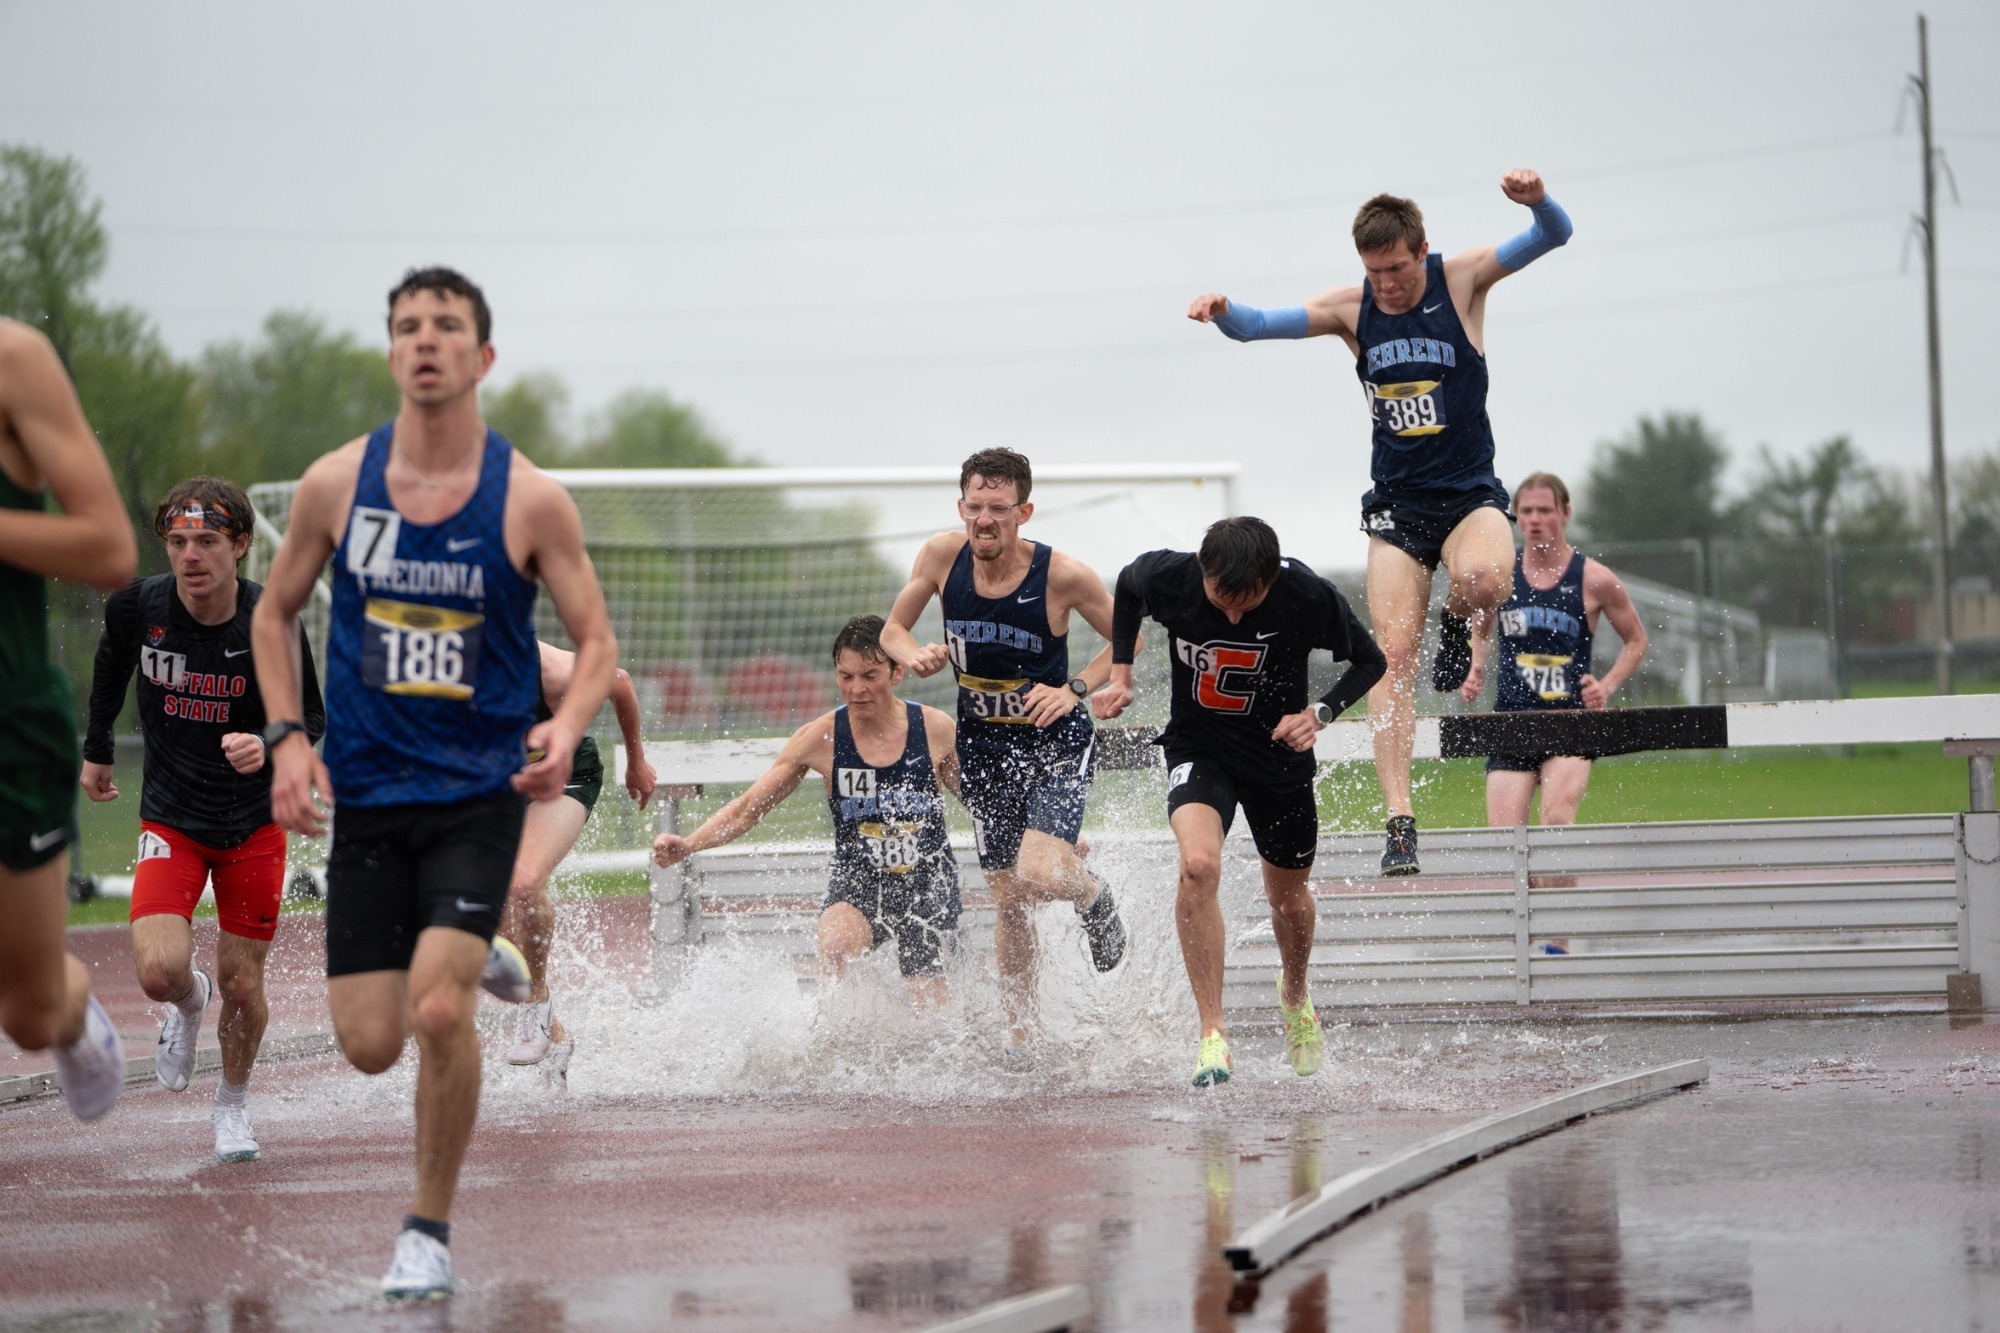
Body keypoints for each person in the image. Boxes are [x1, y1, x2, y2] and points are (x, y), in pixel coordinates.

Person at [251, 267, 617, 1301]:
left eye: (445, 326)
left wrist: (570, 723)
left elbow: (595, 642)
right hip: (367, 794)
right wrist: (286, 740)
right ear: (390, 353)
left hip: (474, 792)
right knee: (371, 1043)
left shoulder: (529, 497)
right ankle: (475, 954)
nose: (425, 341)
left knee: (440, 1015)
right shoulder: (336, 484)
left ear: (481, 357)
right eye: (406, 325)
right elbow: (271, 616)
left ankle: (427, 1230)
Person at [1189, 169, 1573, 877]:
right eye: (1375, 272)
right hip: (1397, 509)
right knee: (1391, 655)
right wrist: (1222, 310)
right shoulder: (1352, 308)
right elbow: (1260, 326)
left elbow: (1555, 235)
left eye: (1397, 269)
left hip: (1468, 498)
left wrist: (1538, 201)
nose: (1387, 285)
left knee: (1489, 579)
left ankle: (1458, 619)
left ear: (1421, 251)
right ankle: (1400, 818)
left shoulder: (1461, 281)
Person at [80, 477, 325, 1162]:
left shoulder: (271, 619)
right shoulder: (139, 606)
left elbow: (310, 720)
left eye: (207, 540)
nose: (190, 555)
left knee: (246, 984)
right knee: (159, 970)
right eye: (178, 540)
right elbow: (110, 667)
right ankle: (189, 1003)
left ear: (240, 545)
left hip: (252, 821)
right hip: (173, 814)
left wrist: (268, 744)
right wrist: (97, 748)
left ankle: (232, 1105)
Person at [1099, 517, 1383, 1086]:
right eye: (1220, 601)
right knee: (1198, 866)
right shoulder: (1170, 576)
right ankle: (1212, 1033)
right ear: (1201, 571)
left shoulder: (1305, 593)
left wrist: (1318, 714)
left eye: (1247, 603)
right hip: (1198, 746)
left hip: (1278, 758)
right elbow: (1128, 588)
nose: (1232, 616)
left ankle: (1295, 994)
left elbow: (1370, 661)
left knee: (1290, 901)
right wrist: (1122, 673)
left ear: (1269, 579)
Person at [880, 448, 1129, 1056]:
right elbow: (891, 629)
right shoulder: (943, 556)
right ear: (961, 507)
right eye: (975, 507)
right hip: (983, 744)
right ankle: (1021, 1034)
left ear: (1024, 511)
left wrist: (1074, 691)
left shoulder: (1062, 574)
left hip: (1052, 740)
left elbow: (1128, 639)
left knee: (1039, 873)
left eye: (998, 509)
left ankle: (1093, 894)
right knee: (1009, 896)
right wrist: (911, 654)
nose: (984, 520)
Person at [652, 616, 963, 1005]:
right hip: (859, 879)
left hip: (927, 884)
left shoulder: (935, 728)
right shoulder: (821, 737)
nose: (857, 689)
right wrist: (689, 844)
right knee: (835, 948)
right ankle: (842, 1047)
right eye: (845, 676)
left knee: (930, 1012)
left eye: (869, 675)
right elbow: (748, 809)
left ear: (897, 672)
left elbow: (980, 801)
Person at [0, 318, 139, 1121]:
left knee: (27, 1012)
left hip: (7, 719)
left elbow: (109, 547)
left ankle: (70, 997)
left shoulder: (16, 359)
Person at [497, 640, 657, 1072]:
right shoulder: (433, 674)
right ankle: (555, 1030)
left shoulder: (550, 671)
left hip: (562, 776)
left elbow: (620, 683)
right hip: (493, 788)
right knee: (485, 923)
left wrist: (636, 762)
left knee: (524, 884)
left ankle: (531, 1008)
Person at [1460, 472, 1648, 832]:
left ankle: (1563, 890)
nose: (1534, 519)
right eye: (1526, 510)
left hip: (1569, 720)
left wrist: (1606, 686)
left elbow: (1636, 640)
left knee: (1557, 826)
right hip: (1511, 720)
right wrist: (1477, 666)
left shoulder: (1594, 578)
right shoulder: (1502, 573)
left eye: (1544, 510)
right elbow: (1481, 623)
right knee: (1505, 844)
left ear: (1565, 514)